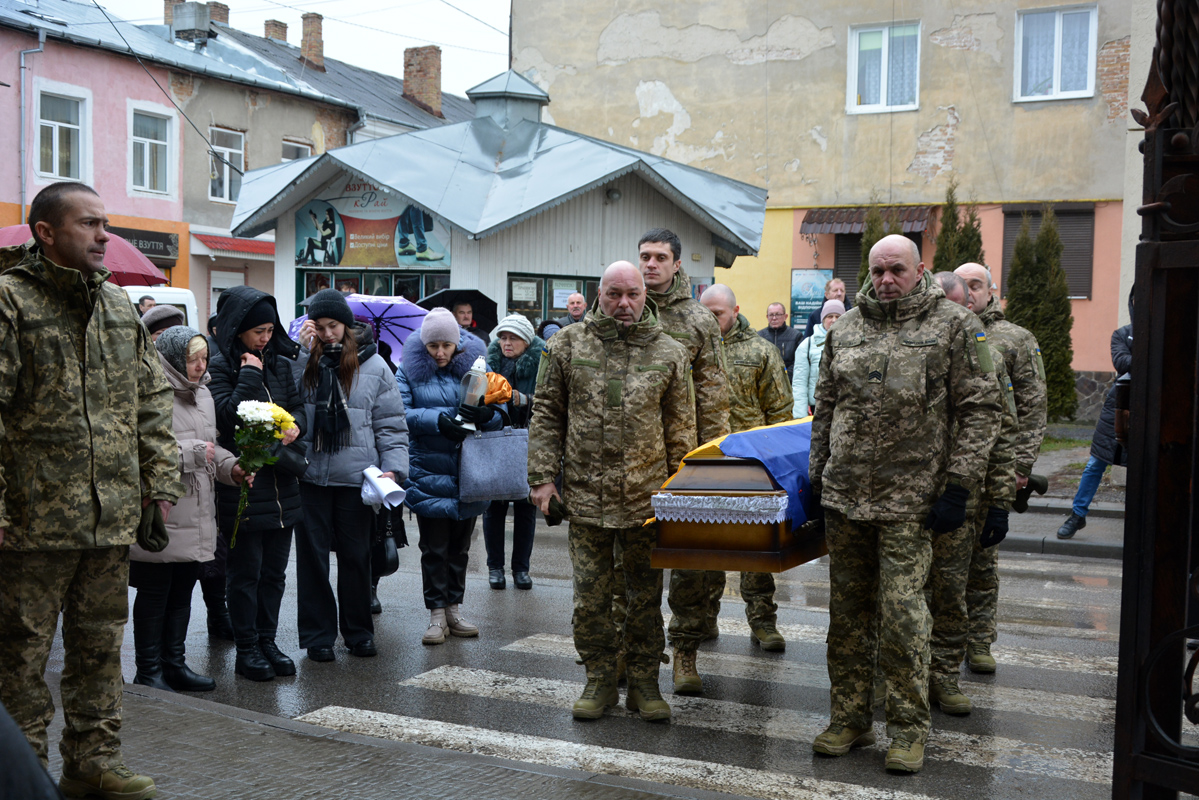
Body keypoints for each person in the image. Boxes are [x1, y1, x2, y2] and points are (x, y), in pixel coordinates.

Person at [0, 181, 183, 800]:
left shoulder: (114, 305)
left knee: (100, 647)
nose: (105, 235)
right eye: (89, 224)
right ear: (46, 232)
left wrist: (158, 483)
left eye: (106, 224)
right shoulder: (10, 301)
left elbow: (150, 401)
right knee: (21, 658)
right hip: (30, 523)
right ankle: (22, 774)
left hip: (108, 517)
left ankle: (92, 763)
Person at [808, 235, 1001, 773]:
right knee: (847, 617)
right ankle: (849, 717)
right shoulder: (845, 328)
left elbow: (982, 410)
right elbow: (825, 406)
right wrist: (816, 477)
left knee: (902, 617)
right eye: (878, 269)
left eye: (897, 269)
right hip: (846, 498)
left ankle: (908, 729)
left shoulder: (957, 327)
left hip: (912, 503)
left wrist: (960, 486)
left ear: (921, 270)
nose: (886, 279)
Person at [528, 261, 696, 722]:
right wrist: (542, 478)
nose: (624, 304)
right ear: (597, 294)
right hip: (584, 498)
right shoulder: (566, 344)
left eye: (633, 295)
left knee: (645, 596)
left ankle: (644, 682)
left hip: (647, 501)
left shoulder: (670, 352)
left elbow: (682, 430)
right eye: (614, 294)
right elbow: (546, 415)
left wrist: (683, 493)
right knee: (591, 598)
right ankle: (599, 679)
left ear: (647, 296)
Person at [129, 326, 249, 694]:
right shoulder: (149, 391)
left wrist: (232, 468)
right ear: (171, 359)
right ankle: (148, 671)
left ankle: (174, 664)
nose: (200, 366)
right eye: (192, 360)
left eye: (203, 358)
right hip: (162, 512)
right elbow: (135, 451)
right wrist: (194, 454)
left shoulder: (204, 394)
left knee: (182, 593)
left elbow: (212, 447)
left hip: (197, 511)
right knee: (154, 594)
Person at [638, 227, 730, 696]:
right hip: (633, 463)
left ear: (678, 265)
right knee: (635, 566)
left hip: (684, 462)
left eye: (660, 257)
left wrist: (709, 462)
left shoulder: (698, 321)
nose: (650, 264)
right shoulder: (622, 308)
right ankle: (637, 652)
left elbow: (713, 397)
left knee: (690, 564)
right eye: (644, 256)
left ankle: (685, 654)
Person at [294, 290, 409, 662]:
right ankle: (318, 637)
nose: (328, 334)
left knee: (357, 558)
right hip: (310, 476)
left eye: (334, 326)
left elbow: (391, 425)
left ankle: (359, 633)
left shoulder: (374, 365)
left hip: (356, 480)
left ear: (346, 324)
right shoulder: (303, 360)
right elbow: (287, 403)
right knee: (312, 562)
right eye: (321, 326)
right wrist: (300, 353)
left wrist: (394, 468)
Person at [924, 271, 1018, 715]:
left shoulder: (988, 358)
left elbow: (1002, 436)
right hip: (905, 496)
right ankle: (896, 676)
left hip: (963, 498)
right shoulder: (911, 351)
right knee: (899, 595)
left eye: (957, 304)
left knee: (949, 592)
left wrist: (999, 502)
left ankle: (943, 676)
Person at [209, 286, 305, 682]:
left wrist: (297, 425)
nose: (266, 338)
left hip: (283, 487)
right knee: (245, 575)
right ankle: (246, 648)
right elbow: (227, 418)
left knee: (275, 575)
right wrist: (249, 373)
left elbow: (297, 405)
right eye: (258, 332)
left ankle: (268, 640)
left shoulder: (280, 364)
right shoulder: (220, 366)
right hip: (245, 486)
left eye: (269, 329)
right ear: (238, 330)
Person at [955, 263, 1049, 673]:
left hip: (995, 469)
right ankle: (946, 641)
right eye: (963, 286)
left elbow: (1032, 406)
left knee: (983, 562)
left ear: (992, 291)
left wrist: (1022, 466)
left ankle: (978, 641)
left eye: (976, 285)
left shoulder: (1016, 339)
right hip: (950, 471)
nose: (969, 292)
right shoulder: (945, 332)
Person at [397, 307, 499, 645]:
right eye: (433, 346)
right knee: (434, 548)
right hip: (428, 470)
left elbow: (501, 408)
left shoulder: (478, 367)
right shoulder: (409, 370)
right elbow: (400, 412)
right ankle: (436, 615)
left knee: (460, 548)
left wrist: (486, 414)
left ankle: (455, 609)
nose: (440, 353)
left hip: (470, 470)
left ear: (457, 343)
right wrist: (438, 419)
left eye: (446, 345)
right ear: (424, 345)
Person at [699, 285, 791, 650]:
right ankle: (703, 620)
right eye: (704, 314)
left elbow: (780, 411)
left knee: (757, 550)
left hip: (753, 463)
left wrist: (775, 464)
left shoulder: (760, 351)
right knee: (705, 547)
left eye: (717, 314)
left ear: (735, 310)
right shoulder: (691, 350)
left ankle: (763, 622)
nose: (710, 321)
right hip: (705, 464)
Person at [1056, 290, 1132, 542]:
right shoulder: (1122, 334)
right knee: (1095, 464)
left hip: (1153, 409)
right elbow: (1122, 362)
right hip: (1118, 408)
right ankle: (1078, 515)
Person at [482, 314, 546, 590]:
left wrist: (526, 399)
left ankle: (521, 568)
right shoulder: (488, 362)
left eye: (514, 338)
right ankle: (495, 567)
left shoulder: (543, 361)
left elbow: (552, 400)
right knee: (494, 508)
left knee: (525, 508)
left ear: (527, 341)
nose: (507, 343)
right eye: (503, 337)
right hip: (495, 440)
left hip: (528, 442)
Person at [791, 299, 843, 417]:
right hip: (818, 409)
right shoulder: (807, 345)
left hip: (844, 408)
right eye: (830, 316)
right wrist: (800, 417)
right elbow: (800, 383)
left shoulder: (853, 344)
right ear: (823, 319)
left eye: (838, 316)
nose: (834, 320)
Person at [758, 302, 802, 382]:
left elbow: (799, 362)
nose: (774, 318)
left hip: (788, 383)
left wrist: (782, 377)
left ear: (785, 316)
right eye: (771, 315)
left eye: (778, 314)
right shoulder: (759, 337)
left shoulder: (796, 336)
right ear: (767, 317)